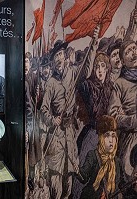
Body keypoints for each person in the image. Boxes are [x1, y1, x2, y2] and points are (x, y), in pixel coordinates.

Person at [40, 28, 98, 198]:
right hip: (56, 138)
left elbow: (86, 70)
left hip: (70, 135)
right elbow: (43, 109)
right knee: (56, 186)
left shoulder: (73, 73)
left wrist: (94, 43)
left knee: (68, 184)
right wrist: (52, 119)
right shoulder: (51, 82)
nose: (58, 59)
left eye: (60, 55)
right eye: (55, 57)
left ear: (65, 55)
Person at [74, 52, 114, 198]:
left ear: (107, 68)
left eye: (103, 66)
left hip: (106, 134)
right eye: (97, 66)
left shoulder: (111, 87)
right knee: (85, 164)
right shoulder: (88, 86)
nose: (100, 70)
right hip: (92, 132)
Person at [74, 115, 125, 199]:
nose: (111, 140)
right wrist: (77, 171)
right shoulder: (93, 155)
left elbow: (123, 184)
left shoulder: (117, 161)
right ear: (101, 137)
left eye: (113, 135)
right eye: (107, 135)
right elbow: (84, 178)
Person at [108, 40, 137, 181]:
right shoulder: (119, 84)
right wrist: (132, 120)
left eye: (134, 49)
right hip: (132, 138)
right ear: (123, 62)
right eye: (128, 52)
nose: (133, 53)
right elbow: (114, 117)